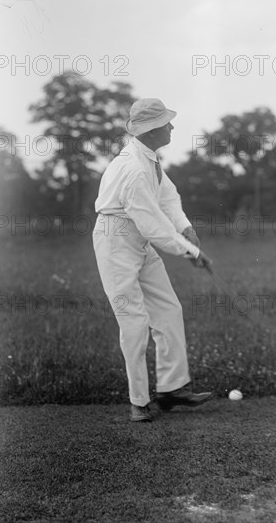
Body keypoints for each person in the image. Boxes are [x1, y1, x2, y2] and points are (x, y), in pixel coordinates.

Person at [93, 98, 214, 422]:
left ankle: (171, 390)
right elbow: (152, 223)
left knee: (168, 309)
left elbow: (168, 198)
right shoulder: (133, 169)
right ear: (149, 131)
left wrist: (187, 229)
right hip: (115, 240)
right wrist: (191, 252)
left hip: (138, 238)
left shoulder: (149, 160)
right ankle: (139, 402)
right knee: (133, 322)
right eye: (166, 123)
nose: (171, 126)